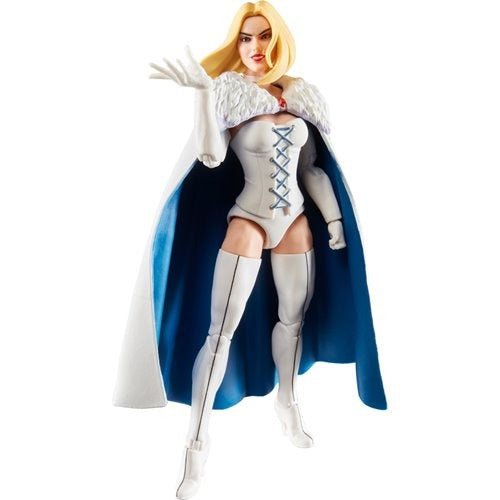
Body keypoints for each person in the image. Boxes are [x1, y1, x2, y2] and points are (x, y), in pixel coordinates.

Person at [112, 2, 387, 499]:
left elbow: (311, 169)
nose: (254, 47)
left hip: (296, 222)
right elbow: (210, 155)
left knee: (292, 320)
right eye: (245, 38)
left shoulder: (300, 94)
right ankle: (195, 449)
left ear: (278, 41)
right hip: (249, 218)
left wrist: (334, 219)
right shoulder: (231, 93)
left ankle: (288, 402)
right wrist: (202, 97)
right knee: (220, 333)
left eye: (263, 36)